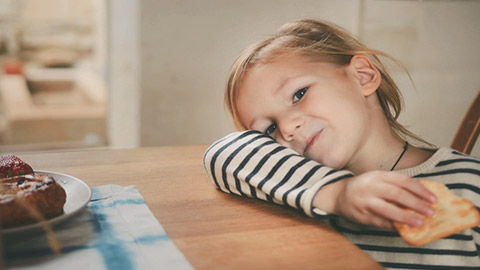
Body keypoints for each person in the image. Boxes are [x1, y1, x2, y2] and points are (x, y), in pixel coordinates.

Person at [203, 19, 480, 269]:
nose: (286, 129)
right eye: (269, 129)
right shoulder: (293, 191)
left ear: (362, 76)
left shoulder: (469, 184)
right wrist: (338, 194)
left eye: (299, 94)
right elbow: (220, 154)